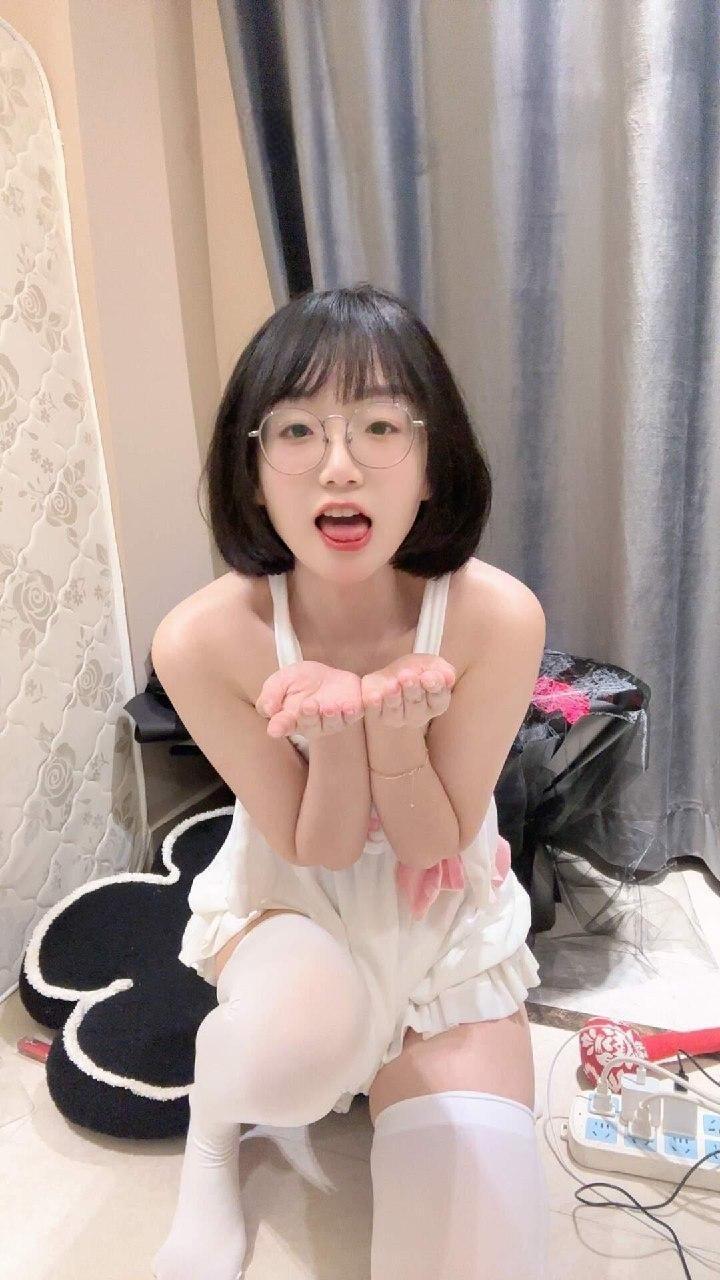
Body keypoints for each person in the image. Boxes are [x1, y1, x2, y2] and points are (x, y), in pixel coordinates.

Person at [151, 283, 551, 1279]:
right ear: (252, 472)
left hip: (442, 922)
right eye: (298, 430)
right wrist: (336, 741)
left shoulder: (497, 617)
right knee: (302, 1044)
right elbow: (317, 845)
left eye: (379, 425)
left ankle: (382, 1073)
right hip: (295, 900)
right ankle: (215, 1124)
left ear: (432, 462)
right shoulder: (201, 639)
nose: (340, 464)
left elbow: (432, 840)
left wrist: (396, 739)